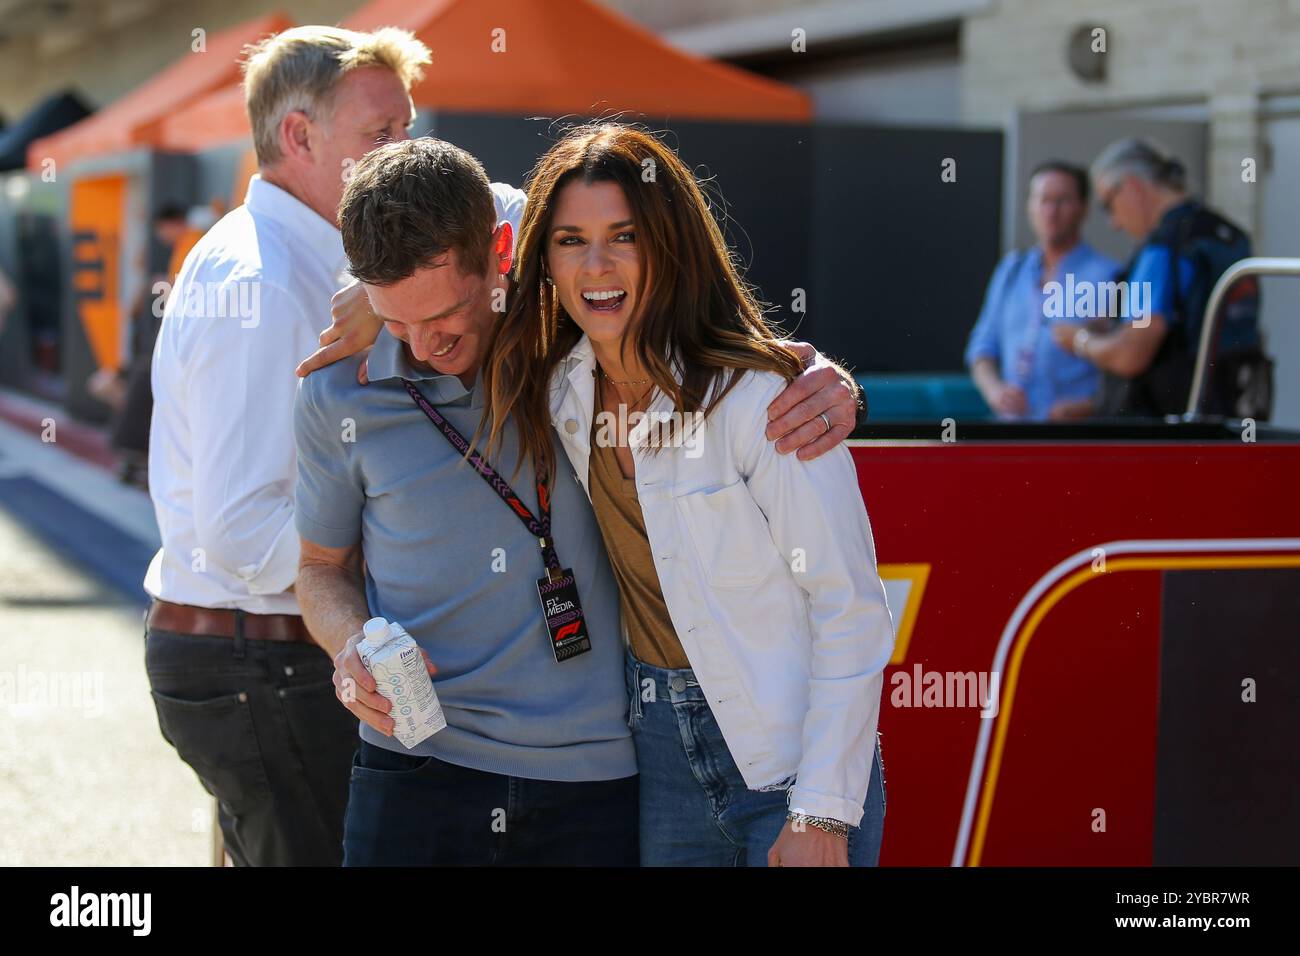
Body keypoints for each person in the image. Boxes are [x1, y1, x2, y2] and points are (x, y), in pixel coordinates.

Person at [293, 136, 863, 866]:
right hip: (414, 766)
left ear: (499, 255)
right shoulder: (337, 389)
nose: (424, 345)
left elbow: (685, 319)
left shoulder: (573, 345)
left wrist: (822, 374)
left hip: (597, 780)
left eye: (445, 317)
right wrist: (349, 647)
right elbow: (317, 566)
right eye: (395, 321)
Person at [480, 123, 895, 866]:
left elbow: (851, 608)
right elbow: (447, 234)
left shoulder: (762, 398)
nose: (596, 265)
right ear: (543, 258)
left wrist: (824, 814)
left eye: (624, 235)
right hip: (659, 753)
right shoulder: (562, 388)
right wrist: (362, 303)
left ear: (669, 242)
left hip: (790, 758)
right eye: (570, 239)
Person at [143, 25, 433, 866]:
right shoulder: (264, 279)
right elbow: (238, 531)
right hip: (261, 662)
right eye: (380, 136)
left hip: (265, 661)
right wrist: (393, 554)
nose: (402, 153)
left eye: (406, 130)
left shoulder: (294, 255)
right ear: (298, 136)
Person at [1052, 137, 1270, 418]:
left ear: (1131, 186)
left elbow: (1132, 354)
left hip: (1171, 432)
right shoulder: (1227, 235)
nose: (1114, 222)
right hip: (1234, 416)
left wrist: (1079, 340)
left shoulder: (1162, 249)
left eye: (1108, 204)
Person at [965, 161, 1117, 421]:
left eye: (1062, 200)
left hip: (1076, 435)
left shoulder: (1110, 275)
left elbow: (1126, 361)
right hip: (1011, 431)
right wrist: (995, 391)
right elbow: (982, 347)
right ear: (1030, 206)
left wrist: (1088, 405)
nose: (1051, 211)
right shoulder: (1011, 271)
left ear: (1083, 208)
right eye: (1043, 200)